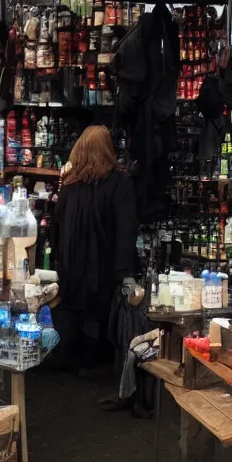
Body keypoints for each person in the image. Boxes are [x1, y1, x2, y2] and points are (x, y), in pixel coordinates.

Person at [51, 125, 138, 375]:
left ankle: (73, 358)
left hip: (72, 263)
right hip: (103, 264)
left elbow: (58, 224)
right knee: (97, 315)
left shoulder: (69, 185)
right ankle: (93, 361)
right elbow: (126, 228)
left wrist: (59, 260)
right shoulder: (119, 182)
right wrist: (125, 271)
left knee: (75, 311)